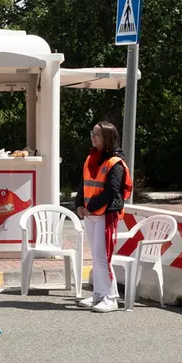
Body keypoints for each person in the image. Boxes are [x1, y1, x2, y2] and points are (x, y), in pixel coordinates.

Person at [75, 121, 133, 313]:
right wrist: (79, 205)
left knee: (102, 257)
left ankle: (111, 297)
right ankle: (99, 294)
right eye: (92, 133)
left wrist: (89, 207)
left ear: (107, 138)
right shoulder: (91, 158)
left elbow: (111, 192)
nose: (93, 137)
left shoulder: (115, 163)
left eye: (97, 134)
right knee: (96, 256)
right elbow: (83, 184)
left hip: (105, 215)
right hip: (90, 213)